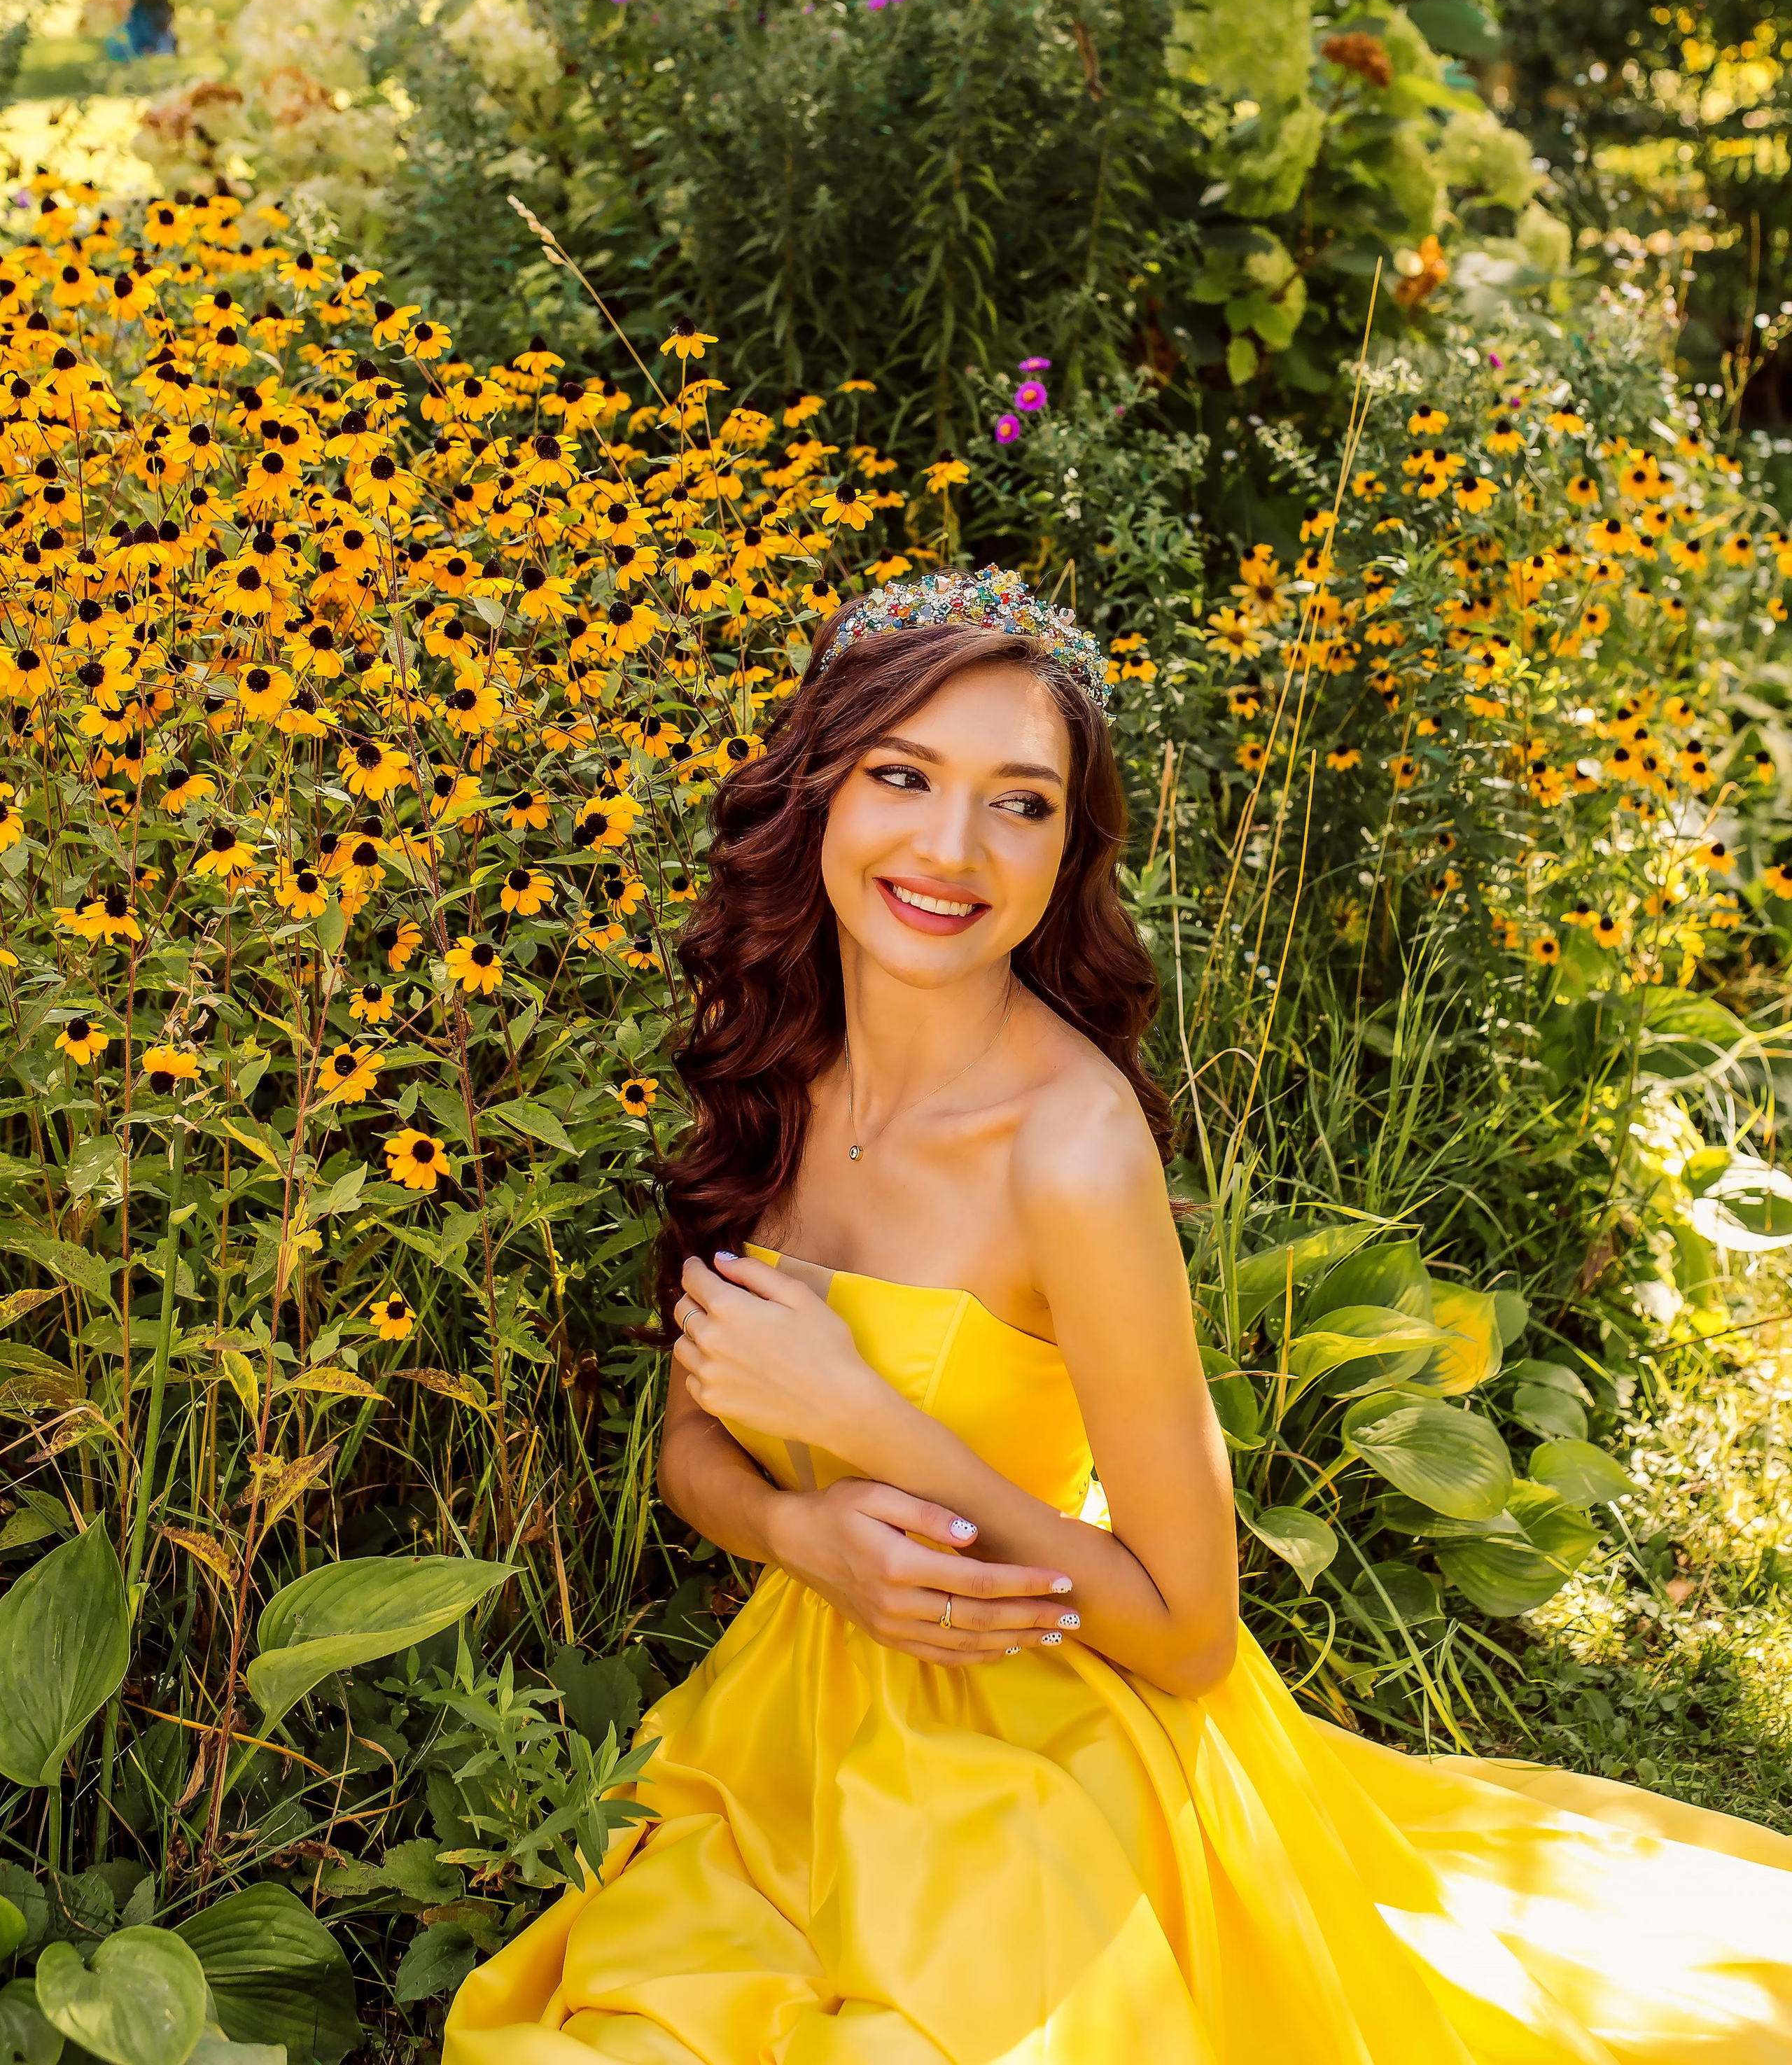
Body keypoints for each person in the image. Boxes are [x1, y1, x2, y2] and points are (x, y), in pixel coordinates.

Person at [447, 569, 1792, 2063]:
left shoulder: (1071, 1151)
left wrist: (870, 1429)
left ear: (1067, 847)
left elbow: (1189, 1628)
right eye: (902, 776)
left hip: (1042, 1741)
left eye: (1018, 803)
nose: (949, 848)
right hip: (789, 1705)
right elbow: (698, 1444)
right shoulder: (776, 1057)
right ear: (818, 789)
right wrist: (799, 1534)